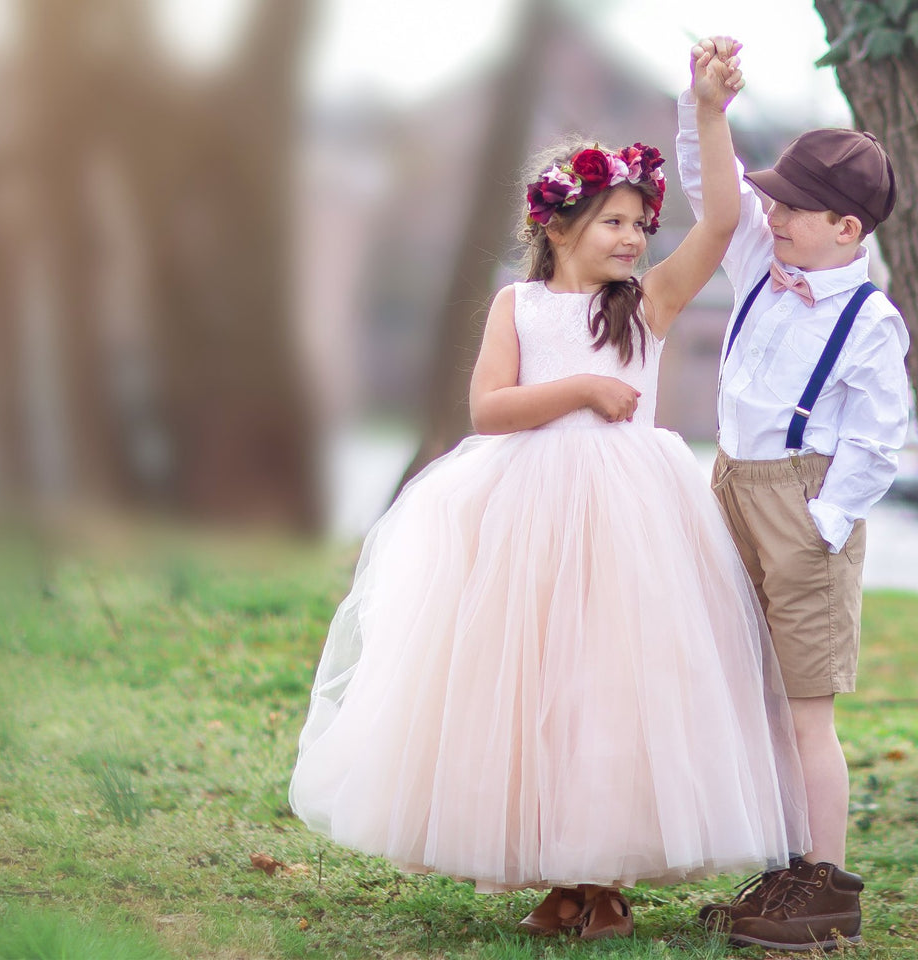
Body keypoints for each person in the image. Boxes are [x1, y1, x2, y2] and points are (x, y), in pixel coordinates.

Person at [288, 41, 809, 942]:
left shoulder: (648, 304)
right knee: (535, 683)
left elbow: (720, 225)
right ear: (558, 228)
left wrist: (708, 111)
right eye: (613, 221)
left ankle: (604, 877)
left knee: (617, 683)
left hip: (630, 520)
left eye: (642, 224)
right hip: (528, 510)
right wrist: (579, 391)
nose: (633, 237)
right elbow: (489, 409)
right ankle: (553, 870)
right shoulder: (517, 308)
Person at [677, 36, 910, 953]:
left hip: (807, 509)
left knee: (807, 704)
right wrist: (706, 105)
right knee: (759, 692)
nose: (768, 213)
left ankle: (826, 889)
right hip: (732, 487)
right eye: (771, 200)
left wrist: (824, 521)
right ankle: (783, 868)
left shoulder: (871, 322)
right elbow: (713, 183)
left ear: (847, 230)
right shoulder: (755, 263)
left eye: (793, 208)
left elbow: (877, 439)